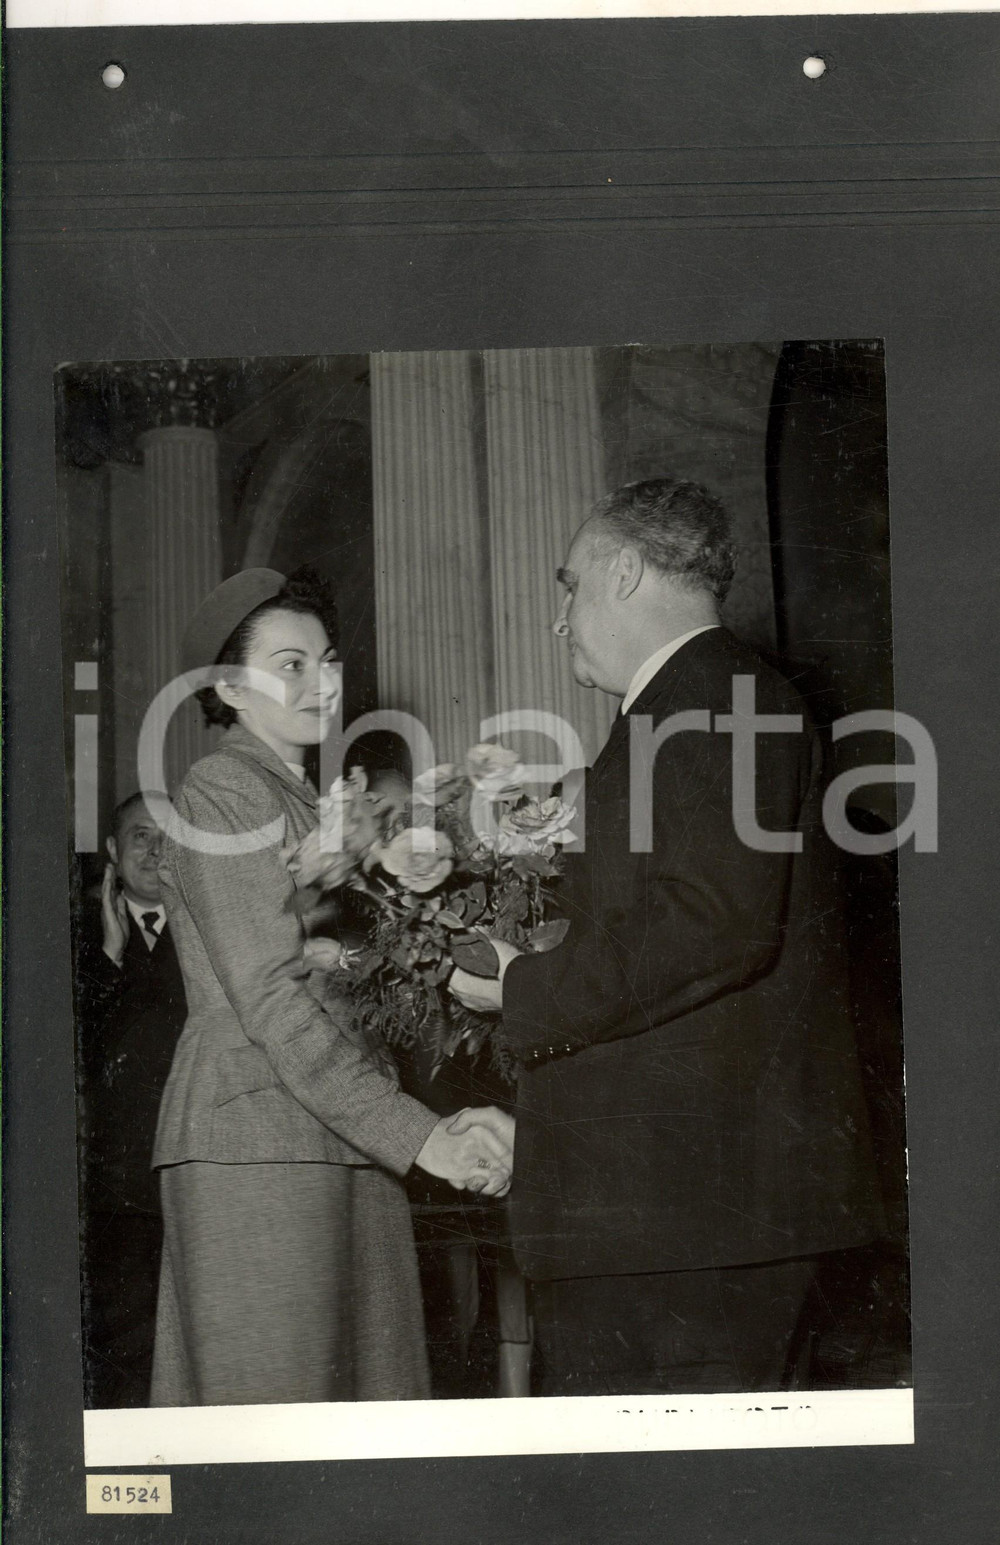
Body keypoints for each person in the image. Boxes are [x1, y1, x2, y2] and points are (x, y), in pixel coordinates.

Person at [451, 477, 884, 1396]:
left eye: (569, 585)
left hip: (687, 1220)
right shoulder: (688, 706)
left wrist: (520, 989)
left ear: (625, 571)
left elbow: (711, 924)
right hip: (679, 1212)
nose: (560, 619)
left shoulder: (712, 698)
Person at [150, 566, 513, 1407]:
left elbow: (362, 991)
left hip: (338, 1132)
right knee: (277, 1439)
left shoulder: (315, 806)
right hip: (260, 1140)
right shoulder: (225, 788)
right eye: (291, 664)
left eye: (329, 659)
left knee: (359, 1429)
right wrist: (422, 1138)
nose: (324, 682)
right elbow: (274, 995)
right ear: (228, 688)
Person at [74, 791, 187, 1407]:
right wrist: (112, 954)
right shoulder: (79, 939)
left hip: (195, 1168)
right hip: (119, 1183)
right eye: (141, 835)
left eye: (169, 836)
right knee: (125, 1343)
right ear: (115, 852)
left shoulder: (210, 934)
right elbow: (70, 1052)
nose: (156, 848)